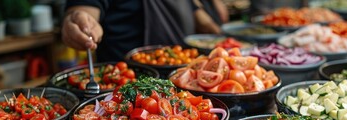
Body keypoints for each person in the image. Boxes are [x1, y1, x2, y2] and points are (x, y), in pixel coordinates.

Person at [62, 0, 228, 62]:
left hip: (182, 75)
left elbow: (195, 13)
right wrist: (79, 19)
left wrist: (224, 40)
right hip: (126, 84)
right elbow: (84, 9)